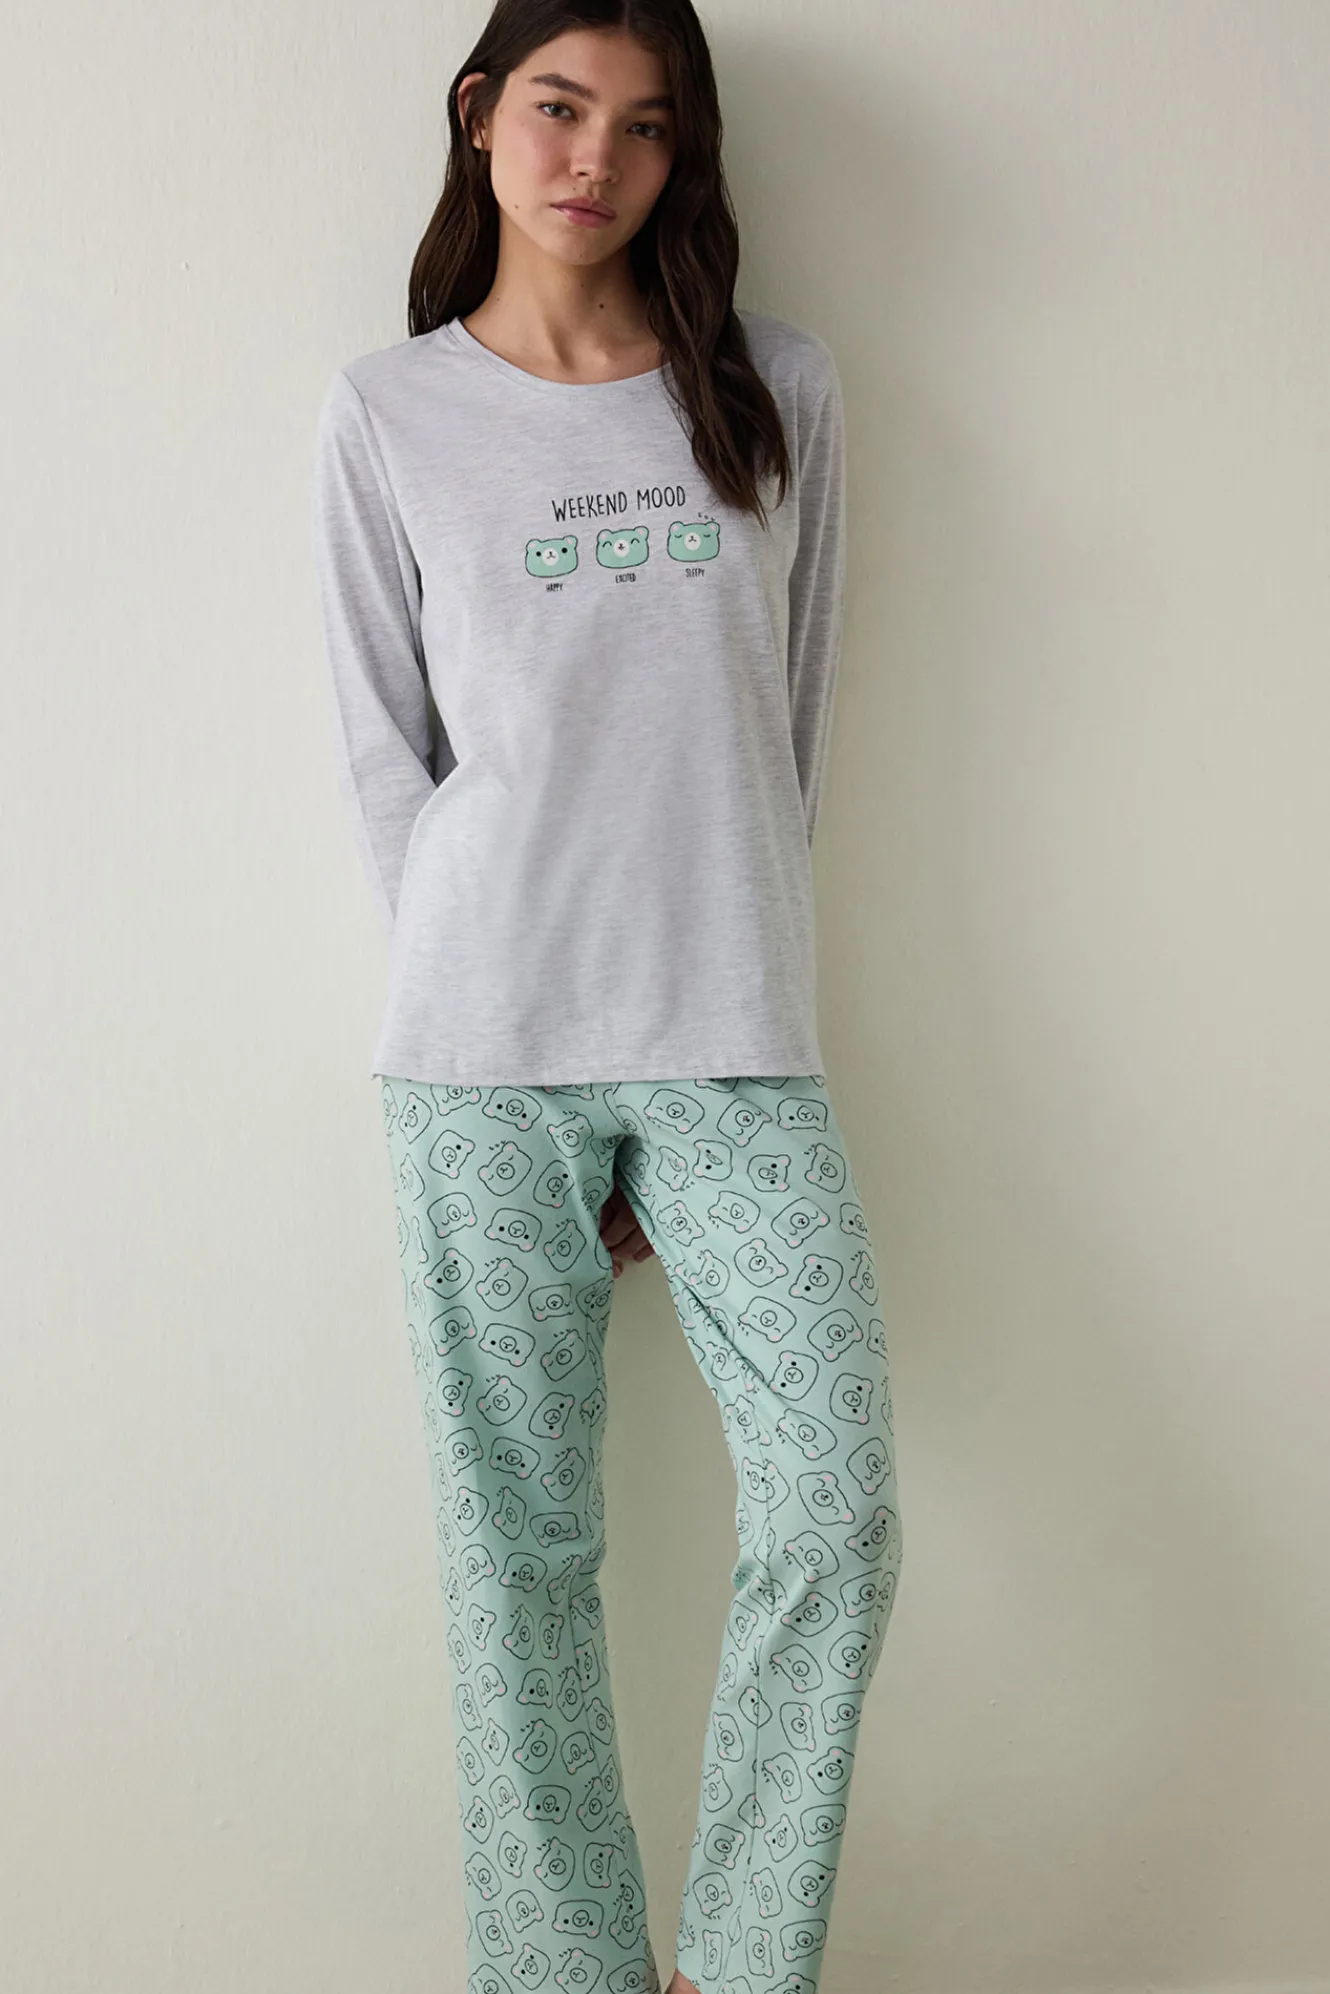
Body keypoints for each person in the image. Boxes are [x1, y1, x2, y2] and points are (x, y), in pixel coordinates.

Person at [310, 5, 903, 1990]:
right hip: (481, 1054)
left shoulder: (776, 389)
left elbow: (787, 724)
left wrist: (714, 982)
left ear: (681, 155)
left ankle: (733, 1966)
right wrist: (511, 1007)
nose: (595, 162)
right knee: (520, 1566)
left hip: (731, 1036)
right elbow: (387, 764)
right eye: (559, 110)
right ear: (480, 116)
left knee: (836, 1504)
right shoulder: (387, 414)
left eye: (645, 129)